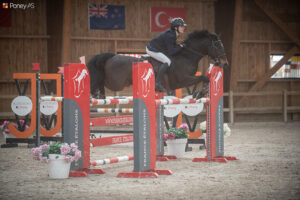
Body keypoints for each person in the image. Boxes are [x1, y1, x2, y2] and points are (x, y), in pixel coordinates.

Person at [146, 17, 187, 92]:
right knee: (167, 61)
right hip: (152, 49)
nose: (183, 28)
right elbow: (172, 51)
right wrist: (180, 46)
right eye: (181, 26)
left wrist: (179, 46)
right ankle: (157, 83)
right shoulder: (170, 35)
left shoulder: (173, 34)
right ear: (175, 28)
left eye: (183, 26)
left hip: (159, 48)